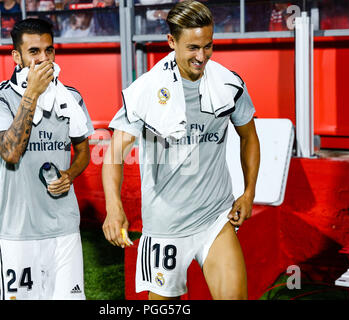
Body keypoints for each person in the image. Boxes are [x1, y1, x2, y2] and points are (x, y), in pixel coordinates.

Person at [102, 0, 260, 300]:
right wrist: (113, 207)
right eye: (192, 48)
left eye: (208, 46)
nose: (202, 56)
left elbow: (249, 137)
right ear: (171, 42)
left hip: (215, 215)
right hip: (165, 224)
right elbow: (113, 155)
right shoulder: (144, 91)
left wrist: (249, 192)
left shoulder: (229, 84)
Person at [0, 18, 94, 300]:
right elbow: (10, 152)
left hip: (64, 227)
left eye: (49, 50)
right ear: (16, 57)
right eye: (34, 52)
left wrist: (70, 174)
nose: (44, 59)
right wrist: (31, 93)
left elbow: (83, 151)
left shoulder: (72, 97)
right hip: (18, 230)